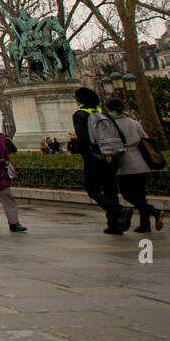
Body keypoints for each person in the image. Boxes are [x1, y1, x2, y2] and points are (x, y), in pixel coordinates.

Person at [68, 87, 131, 234]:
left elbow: (83, 139)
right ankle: (114, 224)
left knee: (93, 190)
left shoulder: (80, 115)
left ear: (80, 100)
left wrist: (77, 149)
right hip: (112, 156)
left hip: (94, 157)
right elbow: (121, 136)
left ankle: (120, 210)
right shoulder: (104, 114)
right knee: (111, 190)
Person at [104, 97, 165, 234]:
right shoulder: (133, 122)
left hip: (124, 162)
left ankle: (154, 211)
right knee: (140, 194)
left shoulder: (110, 124)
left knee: (127, 194)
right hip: (140, 161)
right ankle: (145, 225)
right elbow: (144, 137)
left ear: (108, 109)